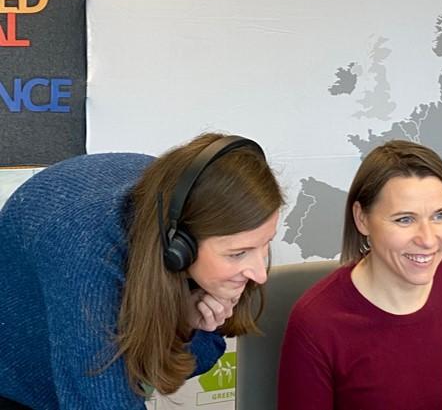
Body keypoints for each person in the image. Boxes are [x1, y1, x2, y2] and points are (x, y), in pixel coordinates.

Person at [0, 133, 283, 409]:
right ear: (179, 244)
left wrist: (184, 328)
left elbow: (198, 357)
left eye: (265, 244)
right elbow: (101, 398)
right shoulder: (87, 257)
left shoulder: (186, 208)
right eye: (237, 254)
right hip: (17, 381)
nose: (260, 274)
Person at [278, 139, 442, 410]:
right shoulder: (315, 321)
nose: (427, 239)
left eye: (440, 216)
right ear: (362, 219)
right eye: (405, 219)